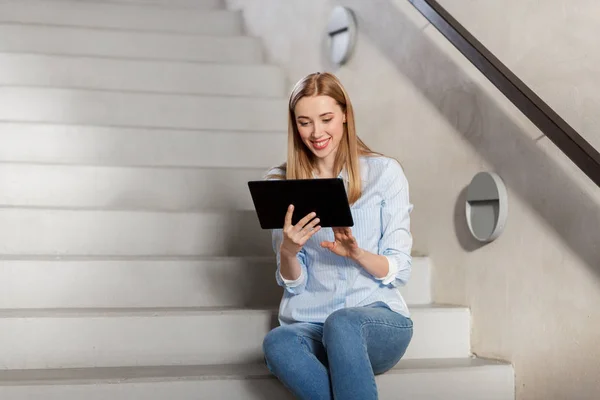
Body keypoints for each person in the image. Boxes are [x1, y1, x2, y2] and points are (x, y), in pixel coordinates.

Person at [262, 72, 414, 400]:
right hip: (311, 322)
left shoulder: (384, 173)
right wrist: (288, 252)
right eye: (304, 122)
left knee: (342, 324)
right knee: (278, 342)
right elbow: (294, 284)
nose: (316, 133)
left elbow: (400, 269)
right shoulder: (281, 183)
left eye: (326, 118)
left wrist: (357, 253)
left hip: (375, 322)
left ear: (345, 114)